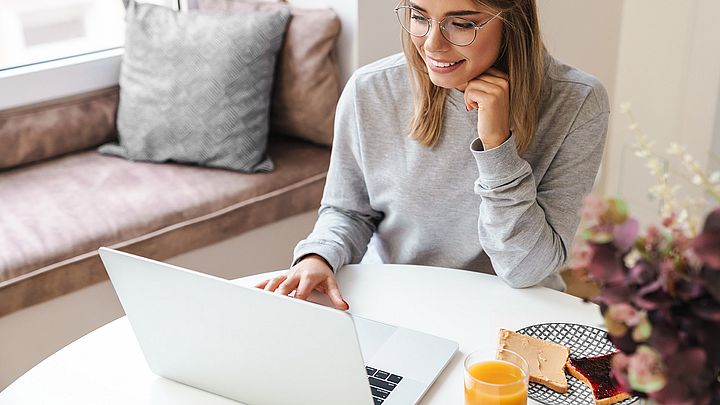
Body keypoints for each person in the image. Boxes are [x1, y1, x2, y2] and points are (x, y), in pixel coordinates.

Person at [256, 0, 609, 310]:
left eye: (462, 23)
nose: (432, 43)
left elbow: (527, 270)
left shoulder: (576, 102)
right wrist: (319, 256)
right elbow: (349, 211)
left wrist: (497, 147)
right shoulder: (370, 89)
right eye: (419, 16)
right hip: (400, 301)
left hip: (516, 310)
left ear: (513, 21)